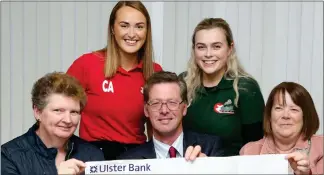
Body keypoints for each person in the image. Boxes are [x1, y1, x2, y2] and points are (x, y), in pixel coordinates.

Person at [66, 1, 163, 160]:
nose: (132, 34)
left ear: (147, 31)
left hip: (136, 156)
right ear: (112, 28)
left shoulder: (154, 71)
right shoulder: (87, 64)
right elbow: (59, 110)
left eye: (139, 26)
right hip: (95, 155)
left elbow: (157, 127)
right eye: (124, 25)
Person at [180, 18, 265, 156]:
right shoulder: (182, 83)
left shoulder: (245, 89)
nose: (208, 54)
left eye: (216, 46)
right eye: (201, 47)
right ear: (194, 49)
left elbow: (256, 147)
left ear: (230, 48)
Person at [1, 72, 105, 175]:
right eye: (58, 110)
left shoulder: (92, 155)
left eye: (74, 112)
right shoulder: (10, 155)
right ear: (38, 112)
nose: (68, 120)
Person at [119, 71, 224, 160]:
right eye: (156, 103)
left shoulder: (210, 149)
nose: (164, 110)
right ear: (146, 110)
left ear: (184, 108)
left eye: (172, 102)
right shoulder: (129, 161)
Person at [240, 82, 323, 175]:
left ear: (305, 117)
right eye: (279, 108)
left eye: (294, 109)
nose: (285, 115)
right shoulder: (249, 151)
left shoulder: (321, 147)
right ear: (269, 115)